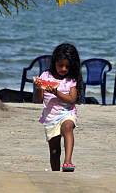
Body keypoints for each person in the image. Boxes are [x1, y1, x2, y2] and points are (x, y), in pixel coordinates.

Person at [34, 43, 83, 172]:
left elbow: (72, 99)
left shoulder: (71, 79)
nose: (63, 69)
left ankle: (68, 162)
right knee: (54, 151)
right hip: (50, 116)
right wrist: (39, 88)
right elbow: (38, 100)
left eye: (67, 66)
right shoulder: (45, 76)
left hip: (67, 112)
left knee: (67, 127)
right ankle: (56, 173)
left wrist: (57, 93)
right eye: (60, 65)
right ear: (54, 62)